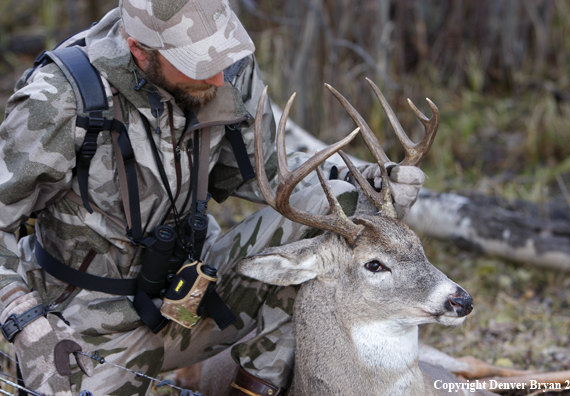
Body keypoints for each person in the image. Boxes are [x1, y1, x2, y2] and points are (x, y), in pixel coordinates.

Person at [0, 0, 426, 395]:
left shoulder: (226, 65)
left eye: (223, 60)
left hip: (193, 291)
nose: (221, 79)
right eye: (199, 66)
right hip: (86, 324)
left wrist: (368, 178)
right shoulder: (58, 99)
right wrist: (26, 323)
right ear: (139, 49)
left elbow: (267, 173)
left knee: (338, 203)